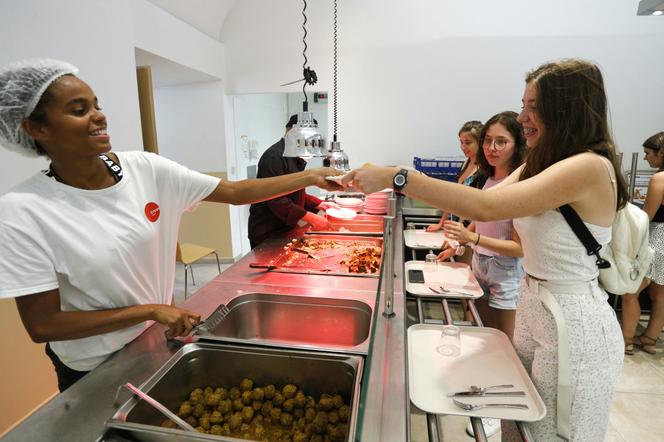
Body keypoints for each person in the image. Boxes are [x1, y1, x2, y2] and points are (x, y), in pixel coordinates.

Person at [0, 59, 342, 392]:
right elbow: (43, 324)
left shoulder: (146, 169)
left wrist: (311, 175)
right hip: (91, 367)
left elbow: (235, 192)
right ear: (36, 128)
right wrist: (149, 310)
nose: (99, 116)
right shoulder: (23, 210)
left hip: (154, 339)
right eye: (79, 110)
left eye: (97, 105)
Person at [343, 59, 627, 441]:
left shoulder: (588, 167)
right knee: (515, 425)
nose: (523, 117)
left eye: (533, 107)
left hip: (573, 321)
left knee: (552, 433)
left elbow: (487, 208)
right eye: (523, 104)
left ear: (566, 109)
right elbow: (481, 198)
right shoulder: (542, 164)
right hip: (534, 305)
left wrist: (399, 176)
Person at [441, 111, 527, 341]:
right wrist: (459, 241)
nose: (492, 147)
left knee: (506, 339)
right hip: (480, 262)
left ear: (517, 145)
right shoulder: (487, 178)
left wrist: (472, 239)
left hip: (506, 268)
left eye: (501, 141)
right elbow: (480, 219)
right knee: (483, 331)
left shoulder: (521, 185)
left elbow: (519, 248)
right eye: (488, 141)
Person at [248, 114, 338, 248]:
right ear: (291, 132)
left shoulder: (296, 155)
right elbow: (276, 200)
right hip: (267, 231)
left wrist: (320, 204)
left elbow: (295, 192)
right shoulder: (274, 157)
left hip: (285, 228)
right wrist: (310, 217)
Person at [621, 131, 664, 355]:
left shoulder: (659, 179)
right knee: (660, 293)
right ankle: (649, 339)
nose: (646, 158)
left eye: (648, 153)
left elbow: (646, 216)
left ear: (661, 152)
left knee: (631, 292)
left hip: (658, 237)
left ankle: (626, 340)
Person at [426, 120, 485, 236]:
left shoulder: (484, 170)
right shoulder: (466, 163)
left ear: (480, 142)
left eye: (468, 143)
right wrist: (441, 223)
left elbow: (481, 211)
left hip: (471, 232)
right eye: (461, 142)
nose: (463, 147)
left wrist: (465, 237)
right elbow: (453, 197)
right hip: (457, 228)